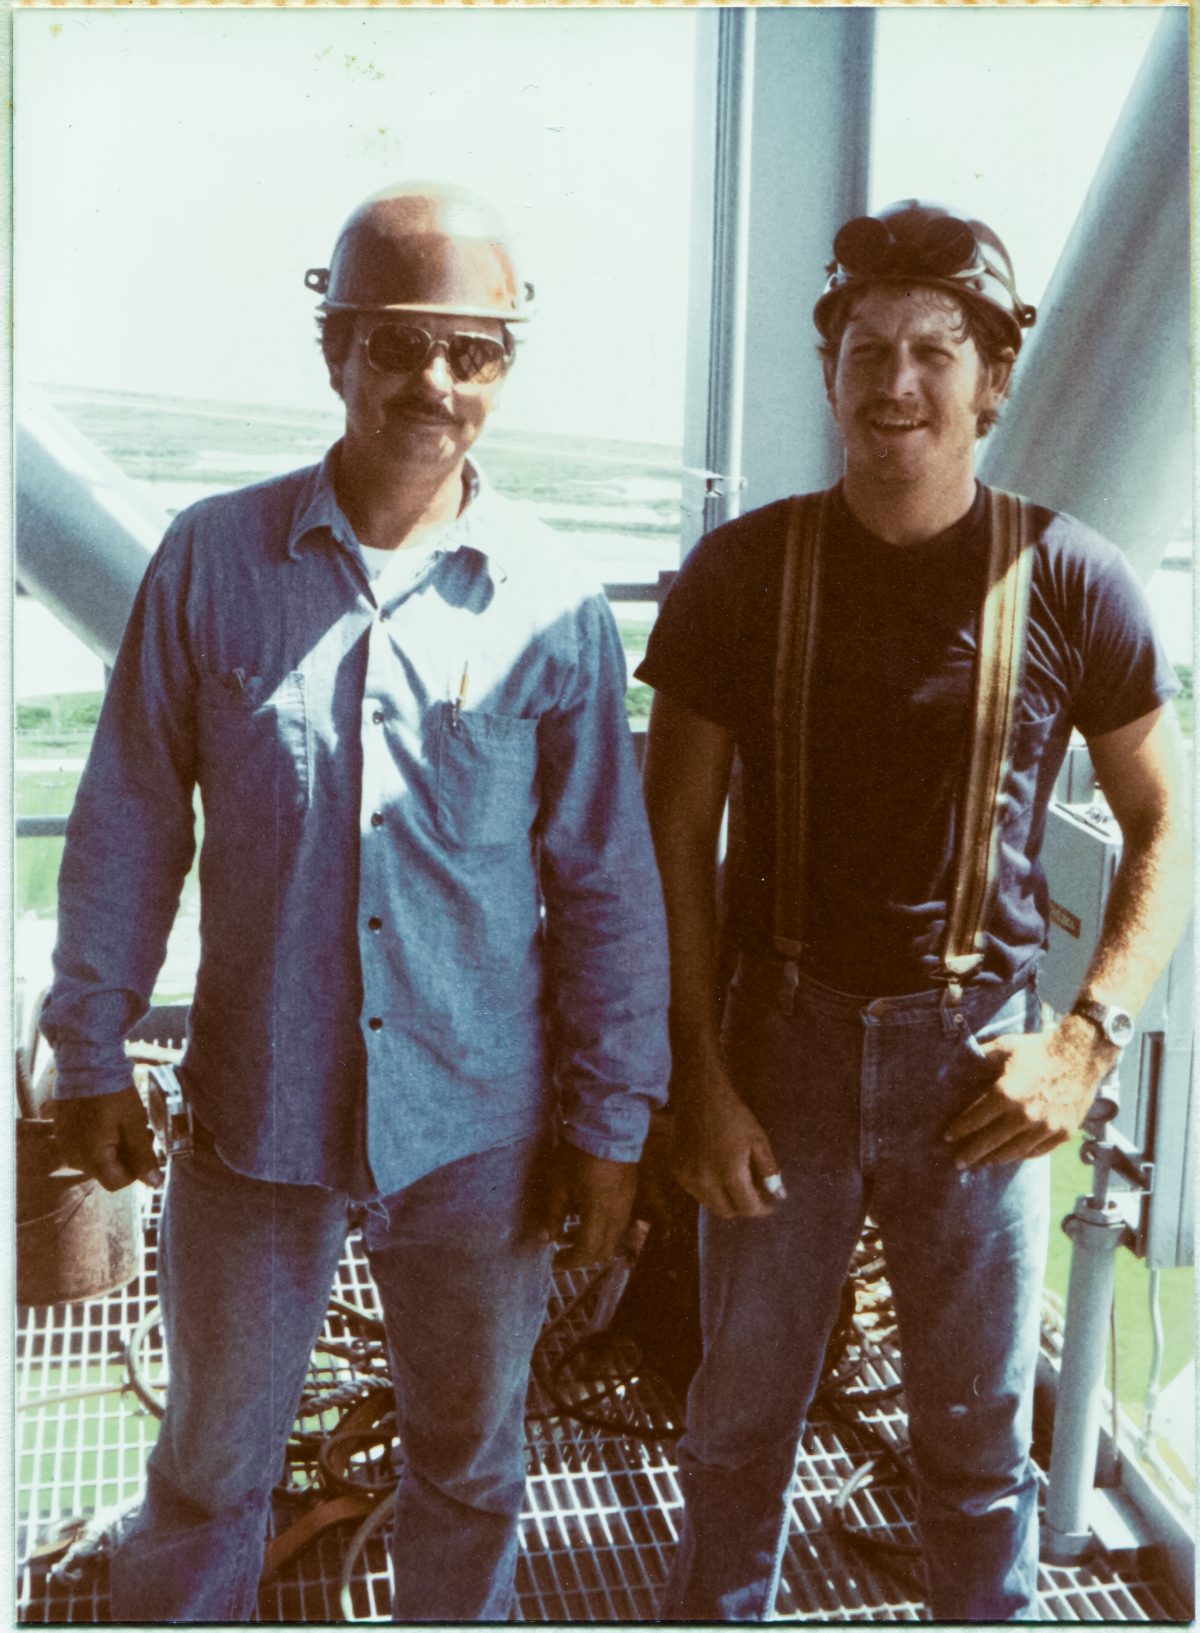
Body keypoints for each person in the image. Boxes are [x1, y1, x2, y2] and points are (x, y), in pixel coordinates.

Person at [42, 180, 670, 1622]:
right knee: (207, 1471)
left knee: (469, 1461)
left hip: (479, 1129)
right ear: (334, 351)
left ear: (507, 370)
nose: (433, 382)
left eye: (474, 350)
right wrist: (88, 1046)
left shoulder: (554, 603)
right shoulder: (212, 560)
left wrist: (610, 1124)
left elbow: (604, 883)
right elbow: (131, 820)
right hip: (258, 1113)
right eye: (396, 343)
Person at [637, 199, 1191, 1621]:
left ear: (993, 377)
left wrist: (1085, 1041)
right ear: (829, 373)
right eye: (867, 348)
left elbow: (1165, 821)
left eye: (937, 350)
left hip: (979, 1070)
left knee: (973, 1447)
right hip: (783, 1053)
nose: (897, 383)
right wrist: (697, 1080)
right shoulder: (742, 574)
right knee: (738, 1425)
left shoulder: (1071, 579)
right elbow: (670, 834)